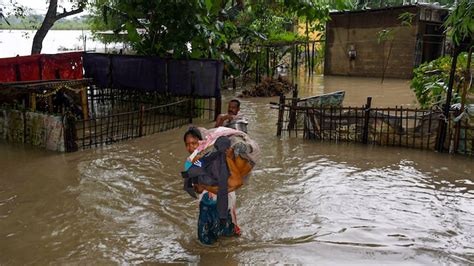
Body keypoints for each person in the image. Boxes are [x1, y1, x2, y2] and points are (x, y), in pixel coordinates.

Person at [183, 127, 245, 245]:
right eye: (187, 144)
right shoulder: (189, 163)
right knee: (205, 241)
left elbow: (236, 183)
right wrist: (199, 187)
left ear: (202, 143)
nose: (191, 147)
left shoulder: (219, 156)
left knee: (230, 237)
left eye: (194, 143)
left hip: (226, 201)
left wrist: (206, 187)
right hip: (206, 203)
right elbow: (197, 189)